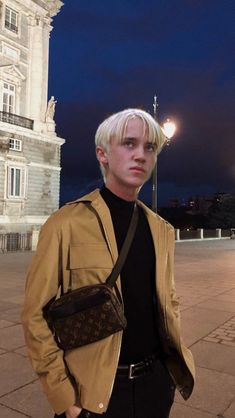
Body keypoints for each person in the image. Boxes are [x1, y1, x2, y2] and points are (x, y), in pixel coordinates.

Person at [22, 108, 195, 418]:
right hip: (93, 395)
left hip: (155, 387)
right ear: (102, 154)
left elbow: (168, 300)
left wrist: (169, 377)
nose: (141, 154)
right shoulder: (65, 224)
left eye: (149, 147)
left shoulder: (162, 229)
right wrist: (65, 398)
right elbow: (35, 314)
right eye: (129, 143)